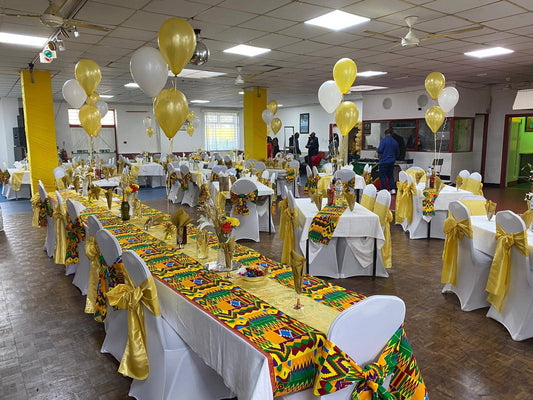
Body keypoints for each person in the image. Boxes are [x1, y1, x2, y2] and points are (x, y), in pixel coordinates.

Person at [377, 128, 400, 193]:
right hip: (391, 162)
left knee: (383, 176)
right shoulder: (395, 142)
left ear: (385, 134)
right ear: (391, 134)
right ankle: (392, 189)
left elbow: (380, 150)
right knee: (390, 175)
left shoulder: (383, 141)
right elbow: (398, 153)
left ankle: (384, 190)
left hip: (383, 161)